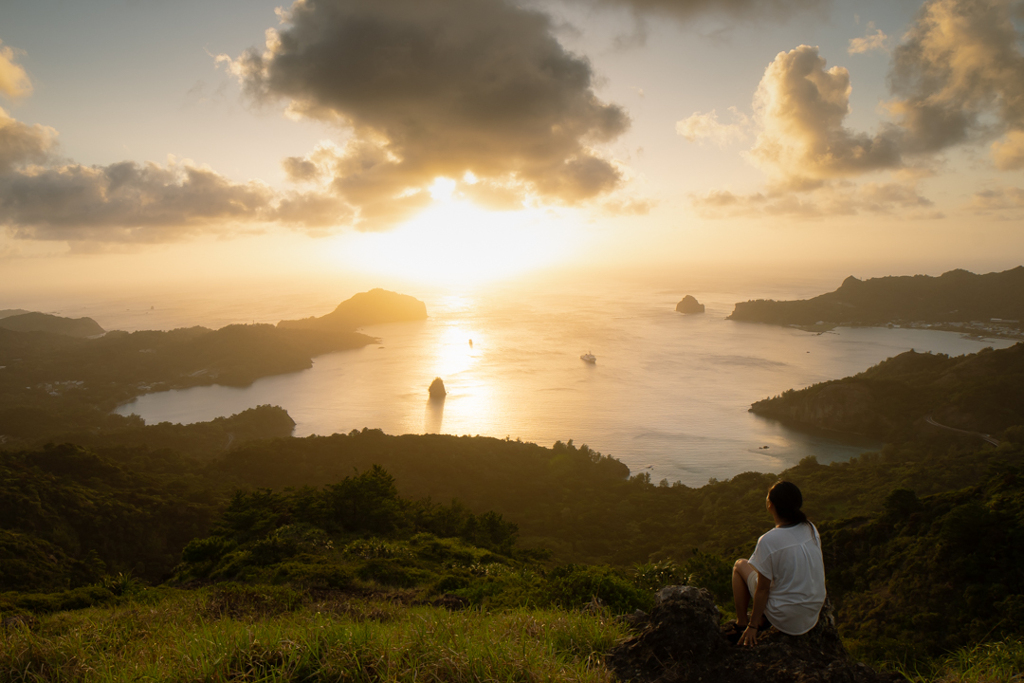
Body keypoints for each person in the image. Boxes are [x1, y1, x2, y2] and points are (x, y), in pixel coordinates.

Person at [729, 480, 826, 647]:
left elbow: (763, 590)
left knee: (740, 565)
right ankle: (760, 618)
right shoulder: (810, 527)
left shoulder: (768, 540)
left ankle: (742, 623)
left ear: (770, 504)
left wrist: (752, 627)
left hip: (786, 618)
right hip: (812, 611)